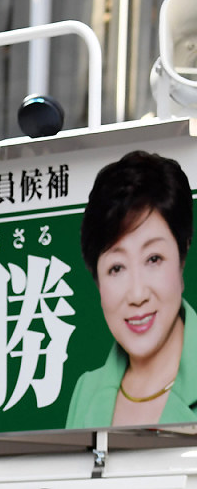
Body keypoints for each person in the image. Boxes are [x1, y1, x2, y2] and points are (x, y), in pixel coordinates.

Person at [67, 150, 197, 428]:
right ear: (97, 279)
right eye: (116, 268)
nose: (137, 295)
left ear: (182, 256)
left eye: (154, 259)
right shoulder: (86, 393)